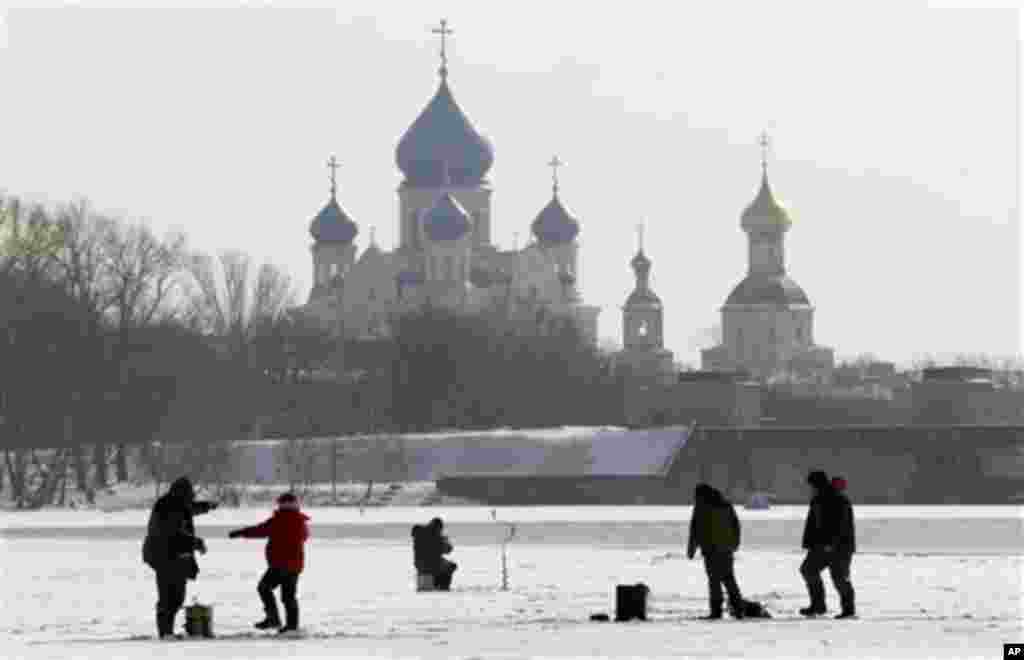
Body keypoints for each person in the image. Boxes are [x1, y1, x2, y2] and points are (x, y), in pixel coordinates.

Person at [141, 477, 217, 639]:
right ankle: (165, 632)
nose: (191, 497)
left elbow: (189, 509)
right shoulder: (168, 506)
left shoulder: (176, 502)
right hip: (163, 555)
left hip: (175, 555)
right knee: (169, 597)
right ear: (183, 493)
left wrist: (206, 507)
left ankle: (167, 631)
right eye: (189, 494)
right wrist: (196, 542)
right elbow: (174, 533)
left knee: (176, 597)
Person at [228, 492, 310, 634]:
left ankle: (273, 619)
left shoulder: (279, 520)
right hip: (294, 566)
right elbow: (304, 536)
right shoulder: (300, 521)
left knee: (264, 587)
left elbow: (259, 530)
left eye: (280, 504)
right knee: (288, 596)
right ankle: (292, 626)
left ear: (282, 505)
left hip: (280, 565)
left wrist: (240, 532)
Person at [800, 470, 856, 619]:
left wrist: (832, 543)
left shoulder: (838, 499)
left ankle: (849, 610)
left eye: (811, 486)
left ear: (817, 484)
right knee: (808, 570)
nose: (810, 489)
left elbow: (842, 525)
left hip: (840, 548)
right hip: (820, 546)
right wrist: (809, 543)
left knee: (839, 577)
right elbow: (813, 524)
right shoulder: (818, 499)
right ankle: (818, 606)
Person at [687, 483, 745, 619]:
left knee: (714, 581)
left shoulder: (701, 507)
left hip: (711, 550)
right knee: (729, 579)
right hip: (726, 550)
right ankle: (738, 609)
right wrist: (735, 543)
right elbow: (736, 525)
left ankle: (716, 611)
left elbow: (695, 530)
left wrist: (691, 549)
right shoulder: (726, 505)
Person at [412, 517, 457, 590]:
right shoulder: (437, 537)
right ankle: (442, 586)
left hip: (420, 567)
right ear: (438, 528)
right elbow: (448, 549)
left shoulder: (419, 533)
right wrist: (445, 540)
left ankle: (435, 583)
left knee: (442, 564)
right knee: (452, 566)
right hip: (432, 566)